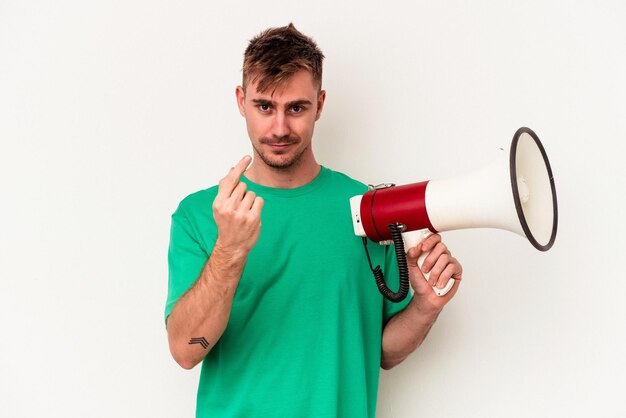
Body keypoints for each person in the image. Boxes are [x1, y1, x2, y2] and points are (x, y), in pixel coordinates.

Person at [165, 23, 463, 418]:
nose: (280, 128)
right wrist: (230, 249)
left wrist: (425, 306)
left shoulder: (368, 209)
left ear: (320, 104)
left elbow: (381, 352)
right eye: (264, 106)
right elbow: (186, 351)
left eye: (296, 108)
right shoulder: (201, 214)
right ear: (241, 101)